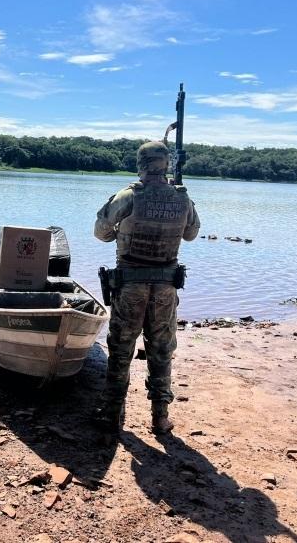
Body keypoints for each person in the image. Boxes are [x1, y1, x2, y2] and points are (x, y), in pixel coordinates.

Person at [93, 141, 200, 435]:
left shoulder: (129, 195)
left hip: (130, 285)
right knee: (161, 350)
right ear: (166, 164)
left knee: (121, 350)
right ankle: (160, 418)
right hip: (166, 287)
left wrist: (120, 232)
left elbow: (100, 232)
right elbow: (191, 234)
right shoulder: (183, 197)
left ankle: (111, 415)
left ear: (141, 164)